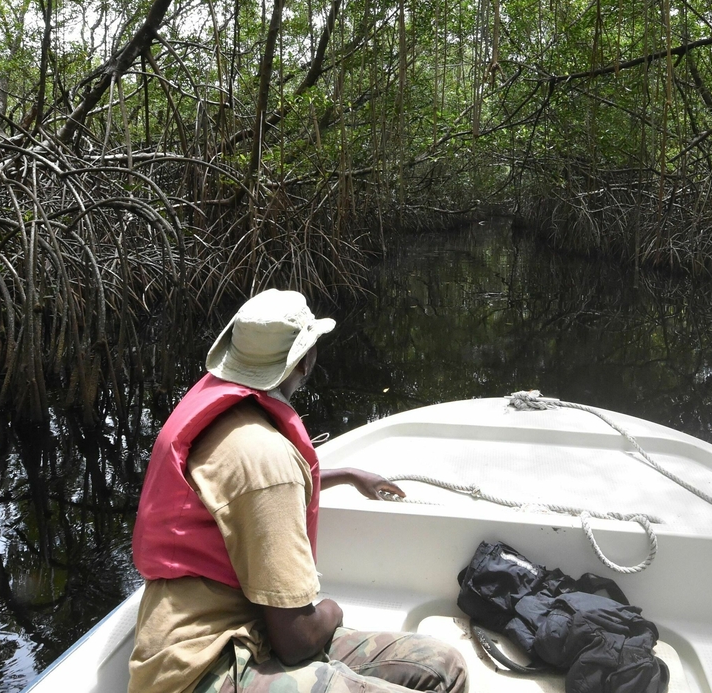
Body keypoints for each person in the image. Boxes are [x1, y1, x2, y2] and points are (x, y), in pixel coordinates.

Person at [130, 289, 468, 693]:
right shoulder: (266, 455)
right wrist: (334, 610)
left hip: (246, 629)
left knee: (443, 666)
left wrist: (346, 474)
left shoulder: (228, 416)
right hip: (198, 668)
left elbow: (247, 494)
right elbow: (297, 640)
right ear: (305, 360)